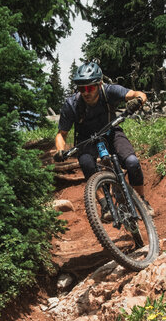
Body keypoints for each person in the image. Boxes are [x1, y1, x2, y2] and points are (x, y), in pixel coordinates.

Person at [53, 62, 154, 216]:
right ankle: (105, 205)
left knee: (132, 162)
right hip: (86, 139)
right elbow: (62, 133)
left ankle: (142, 200)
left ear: (99, 84)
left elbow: (136, 93)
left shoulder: (109, 91)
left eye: (90, 88)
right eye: (81, 88)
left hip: (111, 131)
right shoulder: (71, 104)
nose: (85, 92)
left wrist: (138, 100)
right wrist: (60, 150)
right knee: (87, 164)